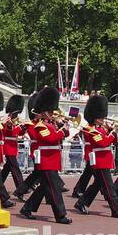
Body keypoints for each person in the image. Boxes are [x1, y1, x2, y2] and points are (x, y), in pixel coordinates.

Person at [17, 87, 72, 225]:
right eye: (51, 112)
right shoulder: (40, 126)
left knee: (44, 188)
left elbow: (62, 135)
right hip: (46, 161)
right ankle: (60, 215)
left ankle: (27, 208)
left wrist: (64, 128)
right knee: (54, 189)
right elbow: (51, 139)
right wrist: (62, 131)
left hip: (52, 160)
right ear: (45, 113)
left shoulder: (51, 125)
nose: (53, 114)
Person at [74, 94, 118, 218]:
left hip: (105, 160)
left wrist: (114, 135)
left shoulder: (101, 129)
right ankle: (116, 209)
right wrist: (112, 134)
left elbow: (110, 140)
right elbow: (103, 143)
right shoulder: (90, 130)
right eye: (101, 117)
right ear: (95, 118)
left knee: (98, 184)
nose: (103, 119)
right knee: (109, 187)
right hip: (99, 161)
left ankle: (82, 202)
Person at [1, 95, 26, 194]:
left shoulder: (16, 120)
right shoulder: (7, 120)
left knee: (7, 168)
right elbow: (11, 132)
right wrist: (20, 128)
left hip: (13, 146)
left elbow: (19, 134)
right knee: (15, 168)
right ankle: (21, 188)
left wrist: (23, 130)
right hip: (8, 146)